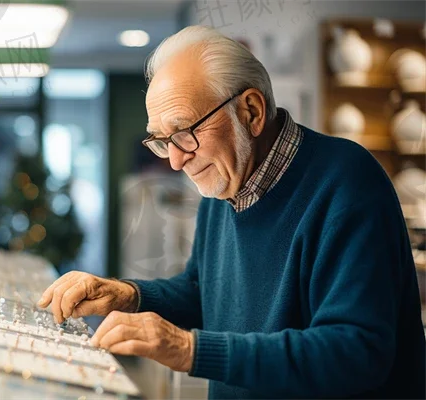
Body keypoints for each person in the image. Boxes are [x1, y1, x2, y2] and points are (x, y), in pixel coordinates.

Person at [37, 25, 426, 399]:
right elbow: (202, 292)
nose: (175, 161)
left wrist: (190, 349)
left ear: (251, 112)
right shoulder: (225, 182)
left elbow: (356, 352)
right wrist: (128, 294)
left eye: (185, 131)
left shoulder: (346, 183)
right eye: (162, 140)